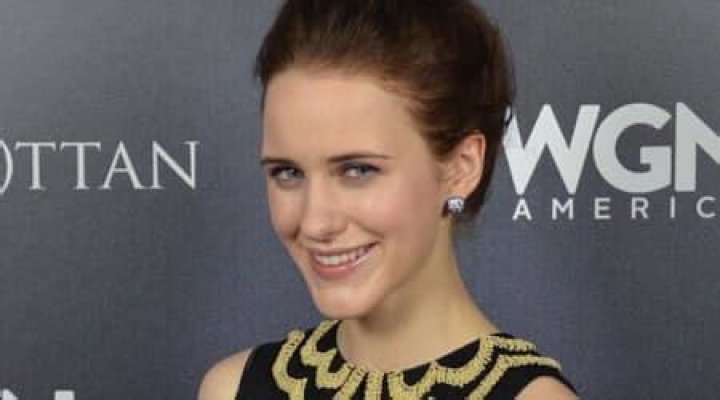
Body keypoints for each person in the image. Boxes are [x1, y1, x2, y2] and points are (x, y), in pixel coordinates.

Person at [199, 0, 578, 398]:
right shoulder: (230, 389)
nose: (314, 222)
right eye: (288, 173)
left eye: (357, 170)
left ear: (462, 168)